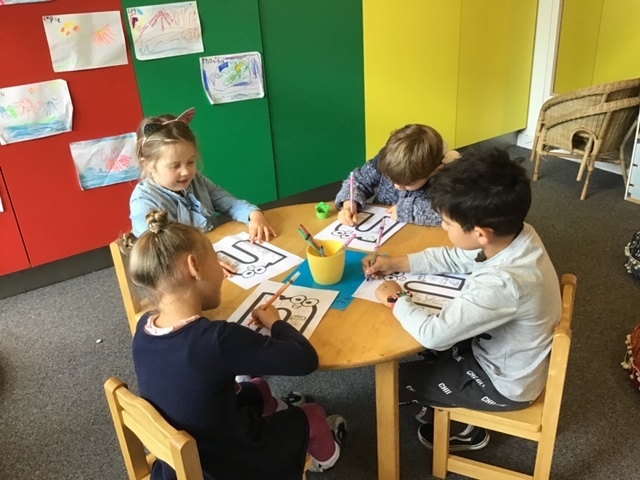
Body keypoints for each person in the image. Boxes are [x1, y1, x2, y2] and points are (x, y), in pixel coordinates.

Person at [121, 210, 347, 479]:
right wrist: (276, 323)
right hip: (230, 466)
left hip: (180, 460)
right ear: (194, 267)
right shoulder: (218, 339)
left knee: (258, 387)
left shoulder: (144, 327)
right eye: (217, 260)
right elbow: (305, 360)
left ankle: (273, 414)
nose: (223, 272)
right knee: (313, 414)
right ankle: (328, 458)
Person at [363, 148, 561, 452]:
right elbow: (456, 257)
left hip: (502, 383)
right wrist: (397, 263)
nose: (443, 227)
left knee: (396, 382)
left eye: (446, 223)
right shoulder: (516, 235)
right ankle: (446, 400)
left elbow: (434, 335)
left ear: (481, 234)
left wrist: (395, 298)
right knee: (426, 349)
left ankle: (464, 429)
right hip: (506, 353)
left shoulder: (503, 283)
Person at [129, 107, 276, 245]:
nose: (186, 172)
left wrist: (253, 214)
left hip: (210, 248)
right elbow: (161, 252)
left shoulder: (196, 180)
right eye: (175, 166)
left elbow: (229, 203)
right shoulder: (143, 203)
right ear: (148, 164)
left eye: (191, 162)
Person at [334, 124, 459, 226]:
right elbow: (358, 180)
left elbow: (456, 212)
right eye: (390, 179)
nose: (397, 186)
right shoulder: (385, 162)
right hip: (380, 230)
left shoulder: (447, 177)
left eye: (409, 184)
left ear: (434, 171)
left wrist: (410, 210)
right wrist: (349, 203)